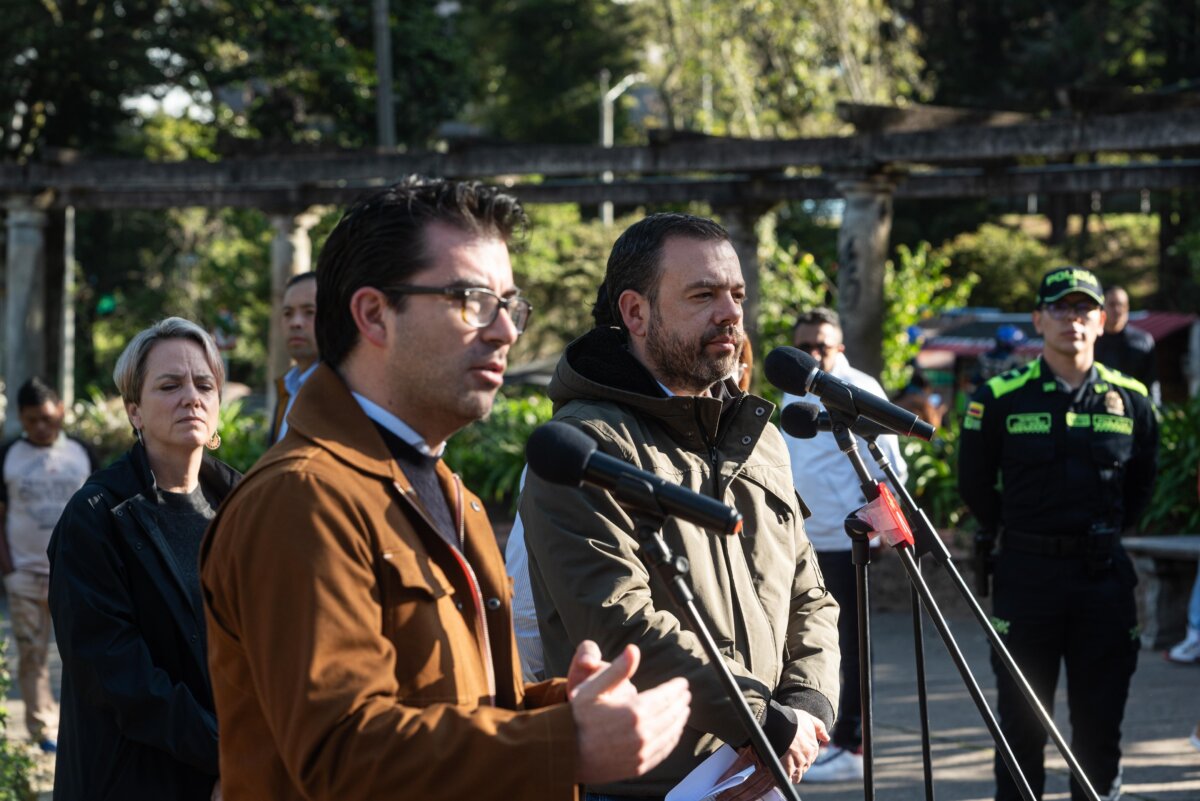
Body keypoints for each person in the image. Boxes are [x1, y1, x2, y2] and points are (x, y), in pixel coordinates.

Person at [200, 178, 691, 801]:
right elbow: (341, 755)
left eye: (509, 304)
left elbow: (468, 706)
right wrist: (565, 742)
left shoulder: (451, 491)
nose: (505, 331)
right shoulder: (303, 498)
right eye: (470, 299)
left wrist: (565, 706)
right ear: (374, 314)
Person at [519, 212, 840, 800]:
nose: (731, 313)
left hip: (764, 772)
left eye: (737, 294)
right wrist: (761, 722)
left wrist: (805, 706)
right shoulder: (588, 447)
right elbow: (620, 621)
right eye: (703, 294)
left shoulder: (760, 435)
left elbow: (809, 593)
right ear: (635, 313)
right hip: (648, 784)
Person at [958, 266, 1158, 801]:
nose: (1074, 318)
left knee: (1099, 733)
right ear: (1038, 319)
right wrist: (1024, 535)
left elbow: (1141, 486)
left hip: (1103, 580)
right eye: (1062, 307)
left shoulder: (1132, 399)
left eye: (1085, 308)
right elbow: (975, 486)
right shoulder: (1000, 397)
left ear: (1101, 321)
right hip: (1028, 578)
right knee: (1020, 730)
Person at [47, 317, 241, 801]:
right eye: (169, 385)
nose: (191, 397)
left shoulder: (245, 505)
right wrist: (226, 753)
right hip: (134, 777)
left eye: (204, 384)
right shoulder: (95, 517)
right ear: (134, 411)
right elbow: (115, 674)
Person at [780, 307, 908, 783]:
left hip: (848, 544)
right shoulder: (792, 391)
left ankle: (854, 744)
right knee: (803, 647)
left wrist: (876, 534)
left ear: (841, 349)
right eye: (805, 347)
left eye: (823, 347)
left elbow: (889, 469)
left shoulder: (861, 390)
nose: (813, 355)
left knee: (849, 647)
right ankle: (817, 736)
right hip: (801, 545)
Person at [0, 377, 96, 753]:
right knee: (32, 652)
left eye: (46, 417)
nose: (40, 426)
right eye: (31, 419)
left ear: (60, 409)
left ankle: (85, 724)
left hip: (76, 573)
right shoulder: (8, 455)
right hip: (24, 572)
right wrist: (9, 570)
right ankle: (43, 729)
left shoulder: (82, 452)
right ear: (21, 419)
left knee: (85, 649)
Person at [268, 271, 319, 443]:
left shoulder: (346, 392)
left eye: (309, 312)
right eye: (288, 313)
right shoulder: (288, 388)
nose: (296, 322)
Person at [1095, 285, 1160, 405]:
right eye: (1112, 304)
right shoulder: (1091, 340)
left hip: (1134, 406)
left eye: (1121, 305)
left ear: (1127, 307)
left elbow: (1152, 382)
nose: (1117, 310)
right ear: (1102, 308)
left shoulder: (1142, 341)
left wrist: (1155, 408)